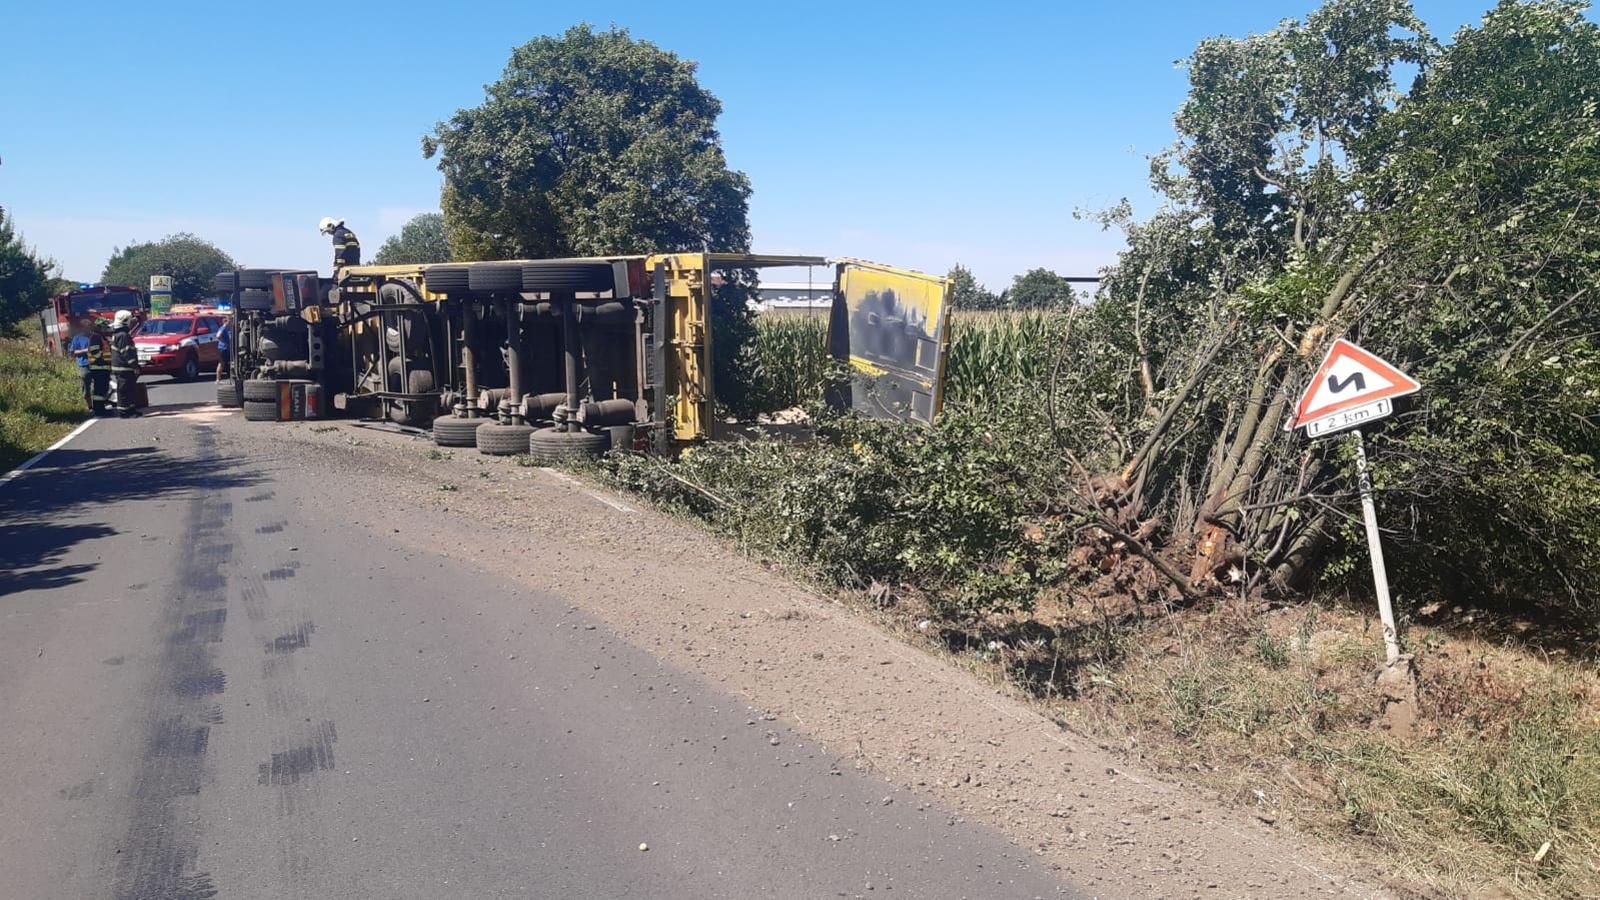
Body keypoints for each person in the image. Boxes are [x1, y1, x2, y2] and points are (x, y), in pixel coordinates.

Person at [108, 309, 142, 418]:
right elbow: (127, 352)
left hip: (122, 367)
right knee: (124, 390)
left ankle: (131, 409)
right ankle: (124, 412)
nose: (132, 324)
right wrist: (134, 366)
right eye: (131, 321)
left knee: (129, 389)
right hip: (123, 368)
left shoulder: (119, 334)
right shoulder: (123, 335)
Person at [87, 318, 112, 415]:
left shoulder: (101, 337)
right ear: (98, 327)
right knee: (99, 389)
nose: (106, 329)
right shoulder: (95, 337)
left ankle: (101, 408)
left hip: (103, 368)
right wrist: (102, 361)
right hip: (98, 368)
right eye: (104, 327)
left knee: (103, 389)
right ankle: (99, 409)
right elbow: (94, 351)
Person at [68, 319, 94, 411]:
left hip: (95, 364)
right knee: (86, 387)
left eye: (90, 327)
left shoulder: (94, 336)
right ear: (82, 328)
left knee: (98, 386)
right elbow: (72, 352)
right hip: (84, 365)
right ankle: (90, 406)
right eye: (86, 327)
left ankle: (99, 405)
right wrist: (85, 350)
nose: (89, 329)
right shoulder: (77, 338)